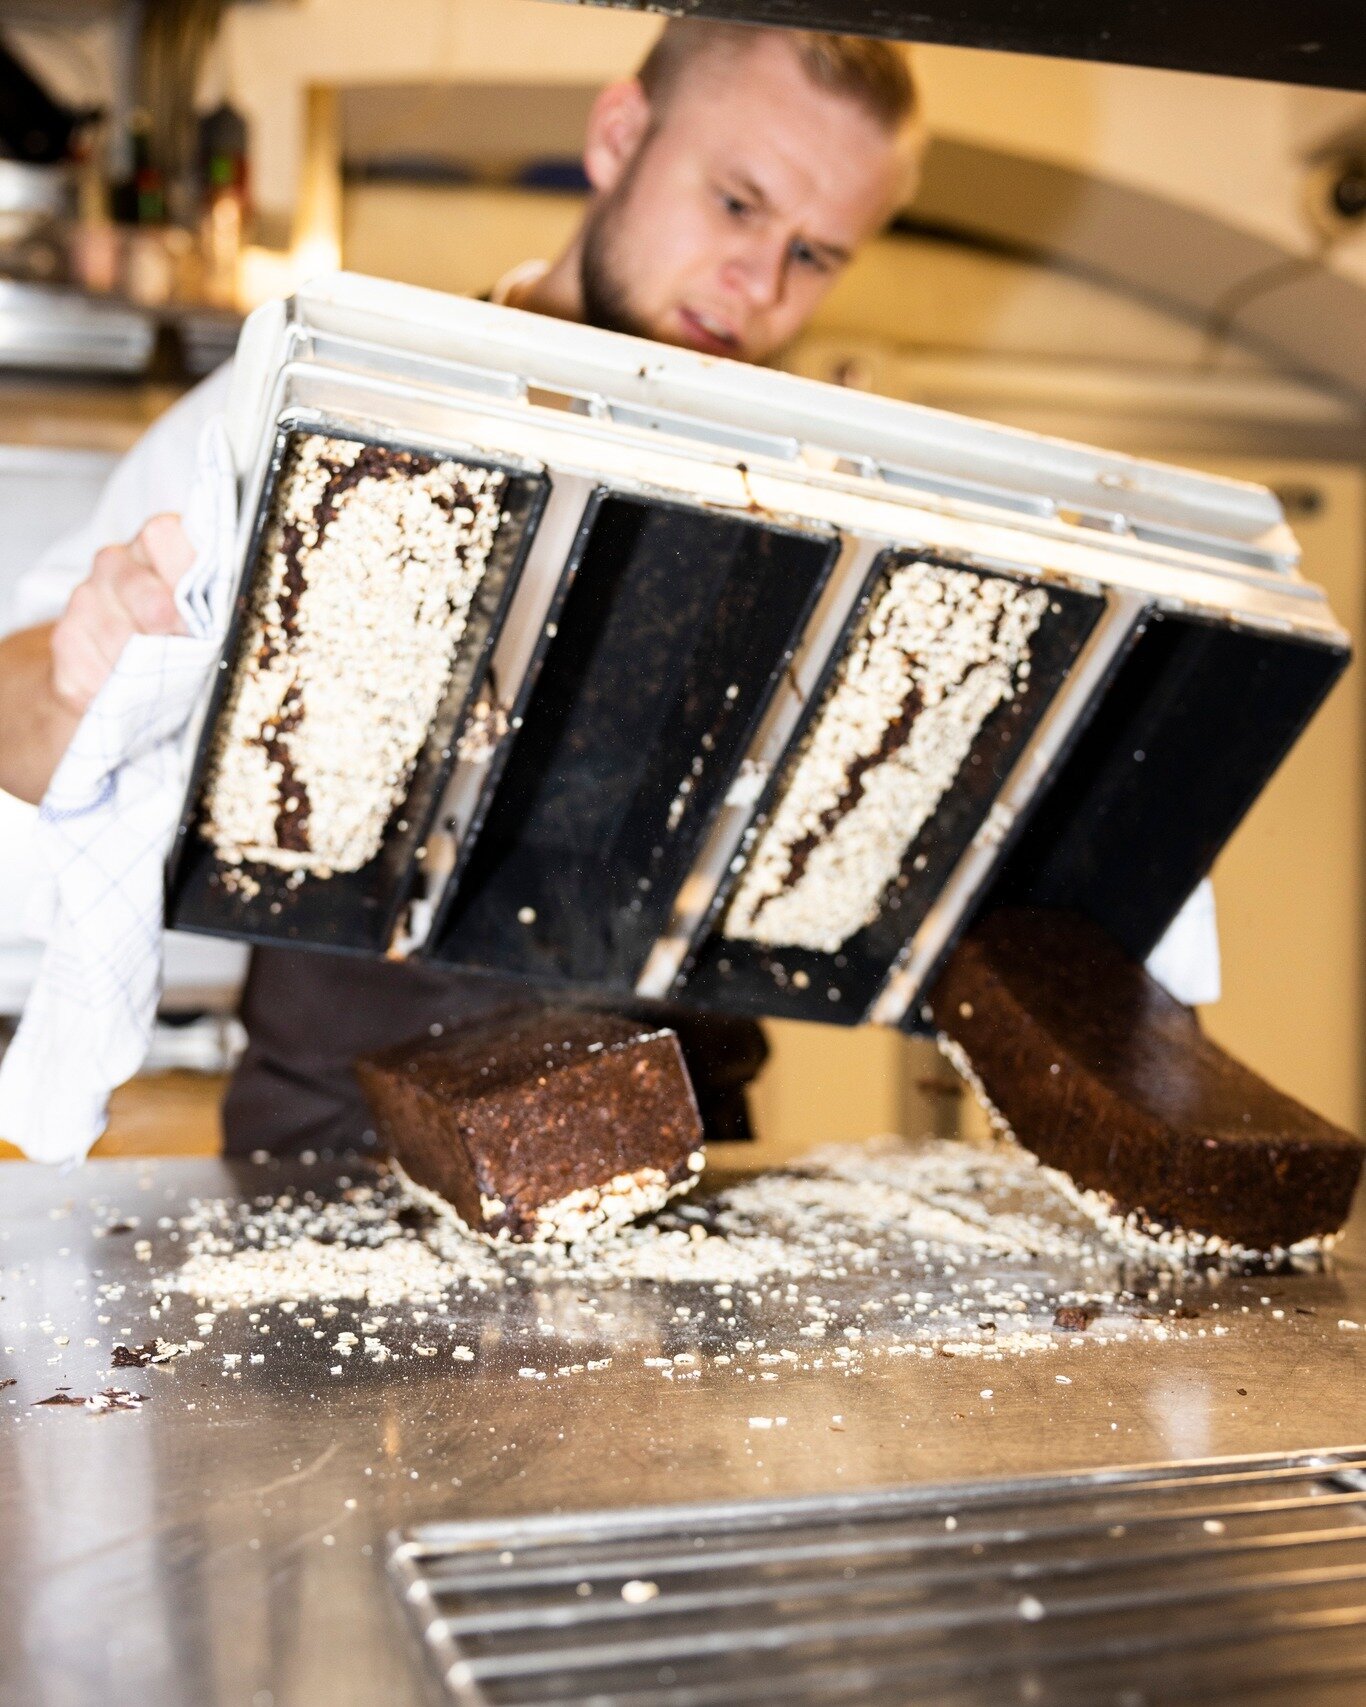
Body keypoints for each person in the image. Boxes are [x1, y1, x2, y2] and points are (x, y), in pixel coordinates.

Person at [0, 23, 924, 1154]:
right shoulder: (324, 409)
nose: (761, 284)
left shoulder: (830, 524)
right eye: (736, 203)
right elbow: (21, 726)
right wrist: (91, 664)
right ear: (620, 134)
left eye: (816, 254)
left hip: (685, 1196)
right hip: (330, 1180)